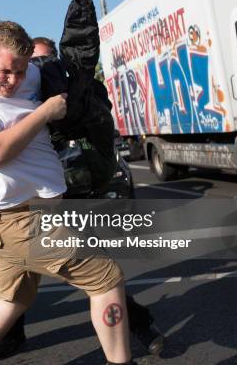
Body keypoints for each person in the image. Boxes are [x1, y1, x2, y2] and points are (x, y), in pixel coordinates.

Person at [0, 21, 134, 364]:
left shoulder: (29, 74)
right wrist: (44, 111)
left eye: (21, 70)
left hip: (22, 215)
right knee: (106, 278)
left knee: (13, 299)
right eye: (5, 71)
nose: (14, 80)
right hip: (14, 220)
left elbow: (58, 81)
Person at [31, 36, 164, 355]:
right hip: (38, 200)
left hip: (78, 194)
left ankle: (139, 326)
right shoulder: (29, 99)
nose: (41, 68)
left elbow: (101, 130)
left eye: (47, 60)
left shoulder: (85, 90)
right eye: (34, 62)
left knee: (95, 273)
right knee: (17, 284)